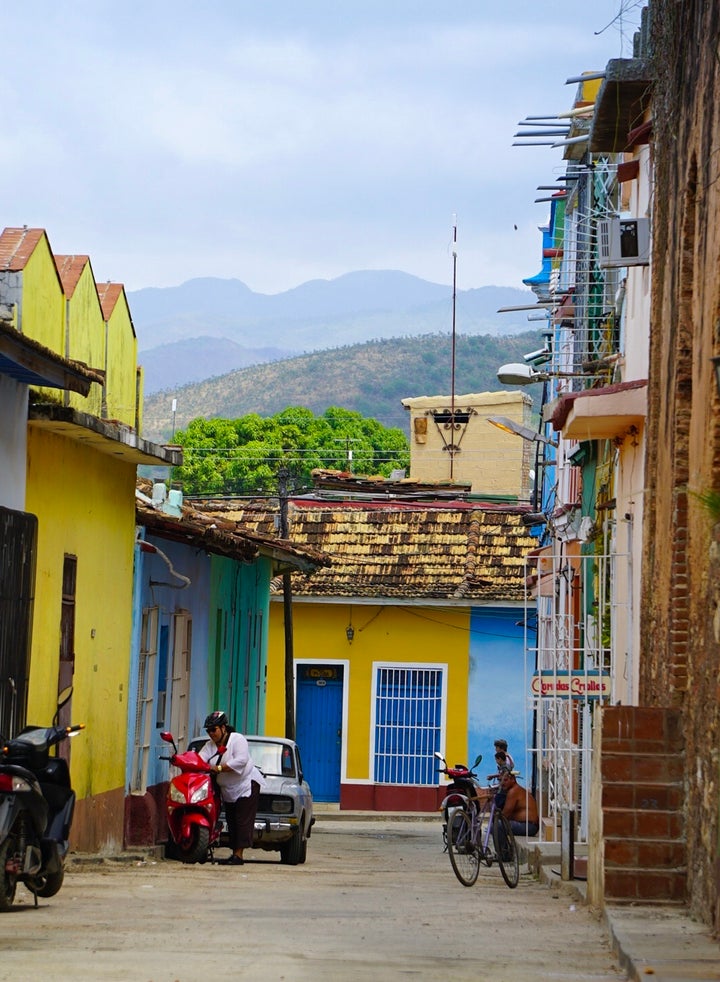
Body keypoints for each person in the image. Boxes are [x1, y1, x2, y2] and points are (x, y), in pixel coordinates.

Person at [198, 710, 266, 866]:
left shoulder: (237, 740)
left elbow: (241, 760)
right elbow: (200, 760)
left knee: (242, 820)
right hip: (227, 789)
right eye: (208, 731)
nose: (211, 734)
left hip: (246, 785)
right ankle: (234, 853)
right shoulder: (209, 746)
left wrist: (218, 768)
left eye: (213, 729)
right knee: (232, 820)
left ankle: (238, 855)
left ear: (223, 728)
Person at [499, 767, 539, 837]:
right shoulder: (516, 789)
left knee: (498, 825)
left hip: (529, 826)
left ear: (513, 780)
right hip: (529, 825)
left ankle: (504, 848)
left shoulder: (513, 791)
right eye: (501, 780)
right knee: (496, 825)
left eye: (505, 780)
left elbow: (505, 814)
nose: (502, 783)